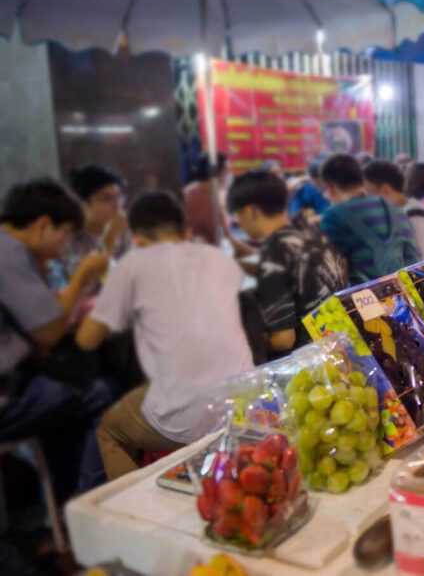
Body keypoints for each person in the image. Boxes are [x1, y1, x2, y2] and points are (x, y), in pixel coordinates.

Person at [76, 191, 253, 479]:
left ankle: (135, 516)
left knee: (108, 430)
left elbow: (86, 339)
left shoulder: (132, 265)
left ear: (137, 240)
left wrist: (86, 276)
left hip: (192, 418)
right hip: (248, 402)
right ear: (185, 231)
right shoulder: (220, 258)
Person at [0, 179, 116, 500]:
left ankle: (67, 503)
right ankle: (88, 500)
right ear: (41, 225)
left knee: (61, 397)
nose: (65, 245)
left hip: (17, 380)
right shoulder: (9, 255)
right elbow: (49, 329)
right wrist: (84, 275)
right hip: (7, 397)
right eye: (64, 234)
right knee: (102, 393)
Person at [228, 171, 347, 354]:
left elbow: (283, 340)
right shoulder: (305, 229)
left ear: (252, 211)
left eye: (238, 214)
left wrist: (249, 345)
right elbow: (291, 270)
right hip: (341, 340)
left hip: (314, 359)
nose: (239, 222)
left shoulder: (274, 253)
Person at [319, 153, 419, 284]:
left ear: (330, 188)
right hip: (407, 297)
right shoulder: (395, 207)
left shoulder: (333, 216)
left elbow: (334, 278)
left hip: (366, 301)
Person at [59, 165, 132, 289]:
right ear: (82, 203)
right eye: (107, 199)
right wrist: (110, 238)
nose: (117, 207)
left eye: (119, 197)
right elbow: (85, 289)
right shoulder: (66, 238)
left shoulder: (123, 232)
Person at [364, 160, 424, 260]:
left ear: (385, 190)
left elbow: (415, 272)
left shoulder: (412, 221)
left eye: (369, 194)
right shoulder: (411, 207)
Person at [183, 152, 230, 245]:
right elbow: (228, 238)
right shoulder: (203, 199)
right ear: (216, 174)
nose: (227, 178)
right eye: (226, 173)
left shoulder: (192, 189)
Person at [287, 156, 331, 221]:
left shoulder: (334, 187)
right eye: (315, 180)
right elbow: (297, 201)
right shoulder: (309, 188)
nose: (319, 183)